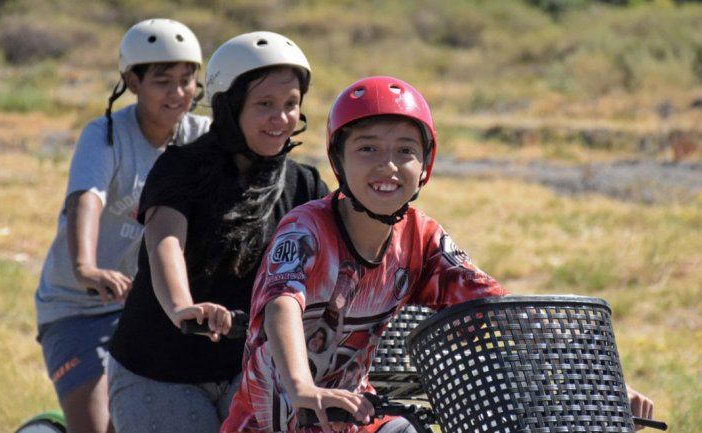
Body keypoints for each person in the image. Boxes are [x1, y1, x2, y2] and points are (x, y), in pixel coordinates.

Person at [221, 76, 655, 433]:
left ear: (425, 164)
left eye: (405, 151)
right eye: (367, 148)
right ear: (338, 159)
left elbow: (502, 311)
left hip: (356, 420)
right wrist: (300, 387)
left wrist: (600, 384)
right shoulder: (306, 228)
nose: (387, 166)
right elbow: (282, 304)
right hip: (266, 422)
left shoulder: (422, 238)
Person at [107, 31, 330, 433]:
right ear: (228, 106)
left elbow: (337, 264)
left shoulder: (305, 186)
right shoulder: (180, 166)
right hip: (158, 367)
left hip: (252, 368)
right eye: (264, 104)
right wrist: (181, 307)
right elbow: (165, 241)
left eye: (291, 104)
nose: (281, 118)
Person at [33, 18, 209, 433]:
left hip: (151, 305)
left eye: (187, 80)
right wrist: (85, 269)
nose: (178, 93)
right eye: (163, 81)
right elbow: (86, 199)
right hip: (79, 307)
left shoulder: (203, 136)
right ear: (132, 81)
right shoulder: (107, 134)